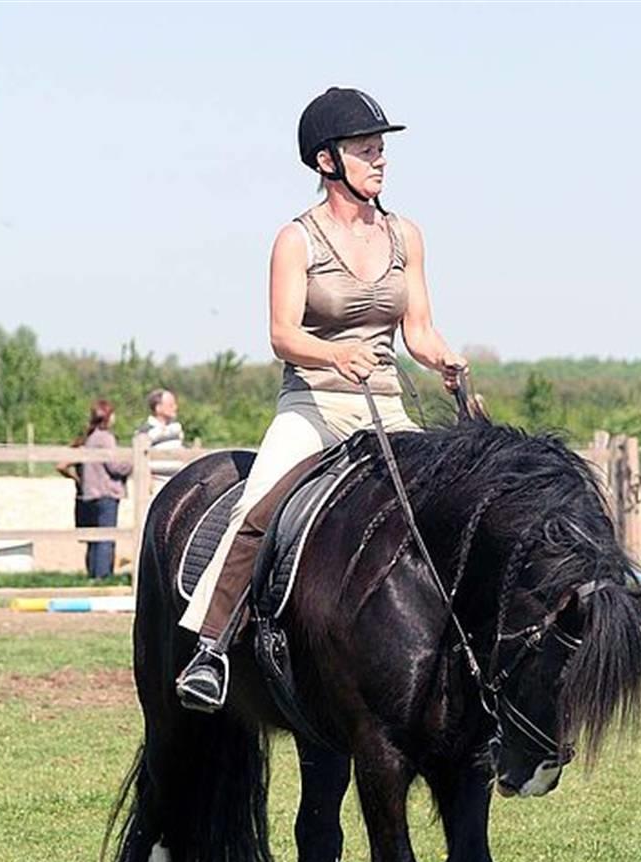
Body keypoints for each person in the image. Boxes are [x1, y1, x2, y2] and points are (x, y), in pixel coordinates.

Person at [176, 86, 469, 712]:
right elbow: (282, 334)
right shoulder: (296, 240)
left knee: (451, 506)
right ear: (327, 161)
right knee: (257, 508)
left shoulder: (405, 236)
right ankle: (212, 648)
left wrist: (442, 356)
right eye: (367, 150)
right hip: (314, 402)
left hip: (387, 404)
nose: (381, 159)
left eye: (382, 149)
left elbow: (416, 328)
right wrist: (335, 353)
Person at [58, 399, 132, 579]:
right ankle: (103, 576)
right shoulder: (105, 438)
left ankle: (93, 574)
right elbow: (115, 466)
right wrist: (133, 462)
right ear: (108, 417)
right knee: (106, 537)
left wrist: (78, 480)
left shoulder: (88, 438)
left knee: (93, 538)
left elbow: (61, 465)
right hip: (106, 493)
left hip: (88, 494)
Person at [136, 388, 184, 489]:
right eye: (171, 405)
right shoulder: (145, 432)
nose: (175, 407)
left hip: (178, 481)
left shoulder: (176, 428)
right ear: (158, 408)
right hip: (158, 483)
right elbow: (141, 459)